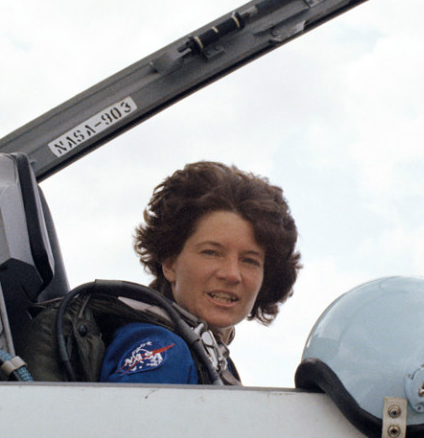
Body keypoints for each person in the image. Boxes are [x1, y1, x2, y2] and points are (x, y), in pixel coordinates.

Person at [99, 161, 301, 385]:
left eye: (249, 260)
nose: (232, 274)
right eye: (212, 253)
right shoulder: (165, 349)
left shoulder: (209, 357)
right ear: (170, 264)